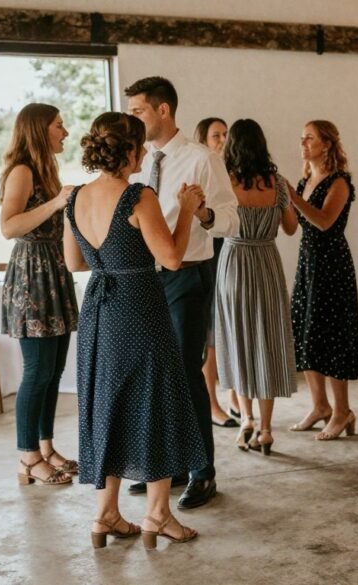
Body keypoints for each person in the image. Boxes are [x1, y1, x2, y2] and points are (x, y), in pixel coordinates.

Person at [63, 112, 207, 550]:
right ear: (127, 151)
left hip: (98, 313)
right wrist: (185, 213)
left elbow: (76, 263)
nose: (145, 152)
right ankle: (158, 515)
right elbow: (172, 258)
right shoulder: (137, 196)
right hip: (139, 308)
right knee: (154, 400)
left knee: (107, 404)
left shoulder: (75, 198)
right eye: (140, 146)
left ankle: (106, 513)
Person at [125, 76, 240, 509]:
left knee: (186, 371)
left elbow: (232, 220)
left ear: (163, 111)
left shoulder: (202, 159)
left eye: (138, 111)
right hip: (145, 279)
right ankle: (169, 466)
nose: (132, 118)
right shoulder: (137, 161)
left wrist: (204, 211)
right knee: (155, 373)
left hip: (188, 274)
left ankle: (202, 472)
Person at [0, 103, 79, 486]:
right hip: (32, 278)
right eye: (59, 126)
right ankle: (27, 457)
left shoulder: (47, 170)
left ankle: (46, 447)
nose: (65, 133)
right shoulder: (22, 171)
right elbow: (9, 226)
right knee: (36, 372)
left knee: (54, 371)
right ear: (39, 130)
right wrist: (57, 201)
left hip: (54, 273)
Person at [214, 119, 298, 455]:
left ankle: (245, 418)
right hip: (266, 263)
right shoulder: (277, 184)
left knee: (238, 340)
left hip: (234, 262)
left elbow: (216, 229)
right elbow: (291, 228)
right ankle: (265, 429)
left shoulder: (226, 182)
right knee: (267, 341)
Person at [289, 120, 358, 440]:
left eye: (310, 139)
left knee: (331, 337)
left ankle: (342, 410)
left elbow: (322, 221)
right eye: (302, 138)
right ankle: (319, 406)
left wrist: (292, 196)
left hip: (332, 265)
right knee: (306, 332)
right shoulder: (305, 179)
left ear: (327, 144)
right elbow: (293, 225)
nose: (303, 143)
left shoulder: (339, 182)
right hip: (308, 263)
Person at [194, 116, 237, 428]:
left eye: (225, 134)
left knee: (229, 328)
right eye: (216, 135)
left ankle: (235, 395)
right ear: (204, 141)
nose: (223, 140)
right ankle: (211, 402)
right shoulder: (203, 172)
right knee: (209, 333)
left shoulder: (232, 172)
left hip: (233, 252)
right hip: (208, 254)